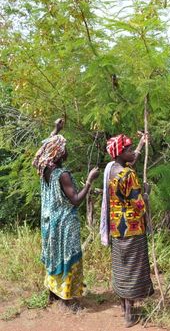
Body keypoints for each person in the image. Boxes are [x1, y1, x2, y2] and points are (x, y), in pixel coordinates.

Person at [32, 118, 99, 308]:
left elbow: (42, 151)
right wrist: (89, 181)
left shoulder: (44, 168)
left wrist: (55, 129)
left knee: (54, 255)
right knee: (69, 257)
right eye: (64, 148)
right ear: (59, 153)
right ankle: (67, 300)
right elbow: (76, 200)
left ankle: (53, 293)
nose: (67, 150)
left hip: (49, 222)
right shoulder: (62, 174)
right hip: (65, 223)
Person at [100, 133, 154, 327]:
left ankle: (125, 308)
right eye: (129, 150)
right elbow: (139, 204)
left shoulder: (112, 169)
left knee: (121, 268)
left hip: (117, 229)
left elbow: (131, 160)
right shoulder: (128, 175)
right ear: (120, 153)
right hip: (132, 229)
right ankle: (129, 315)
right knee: (133, 270)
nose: (132, 153)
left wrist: (140, 144)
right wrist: (146, 194)